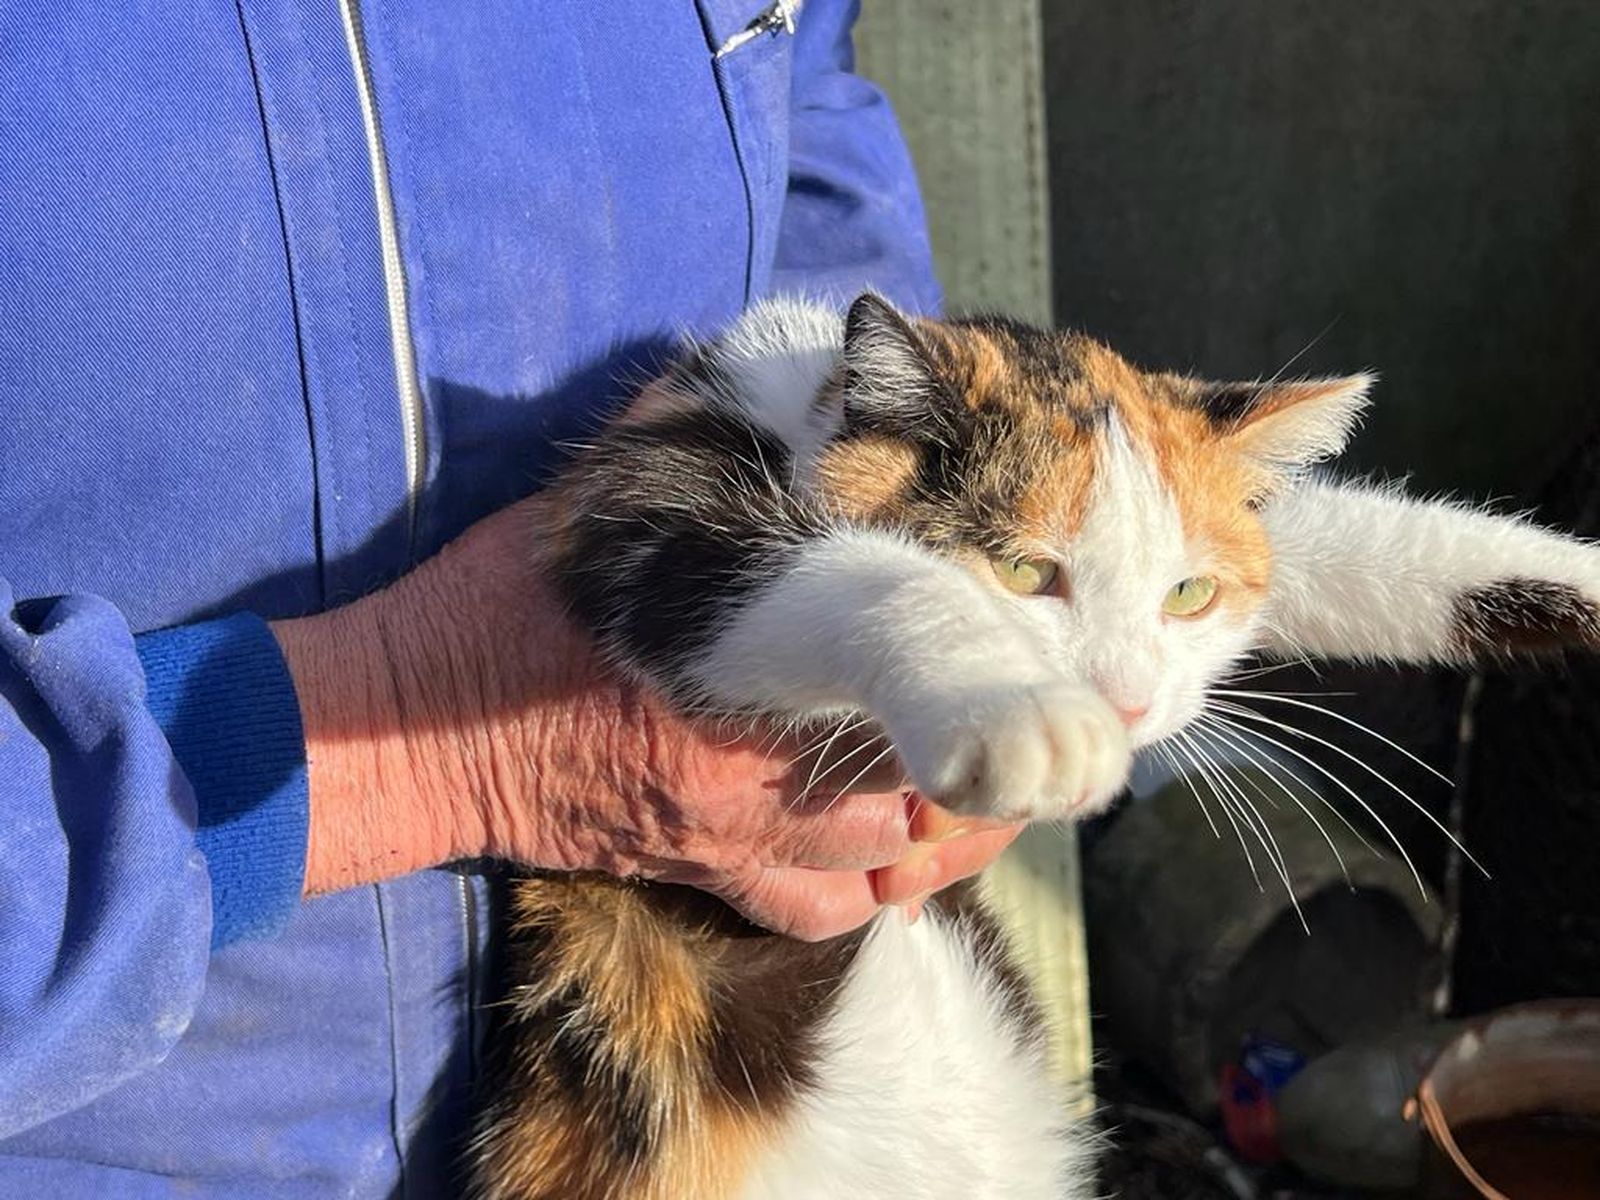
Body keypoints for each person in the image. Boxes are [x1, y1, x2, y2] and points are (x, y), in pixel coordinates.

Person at [0, 2, 1020, 1192]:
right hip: (124, 1134)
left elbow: (800, 84)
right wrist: (405, 742)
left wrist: (906, 472)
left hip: (723, 1096)